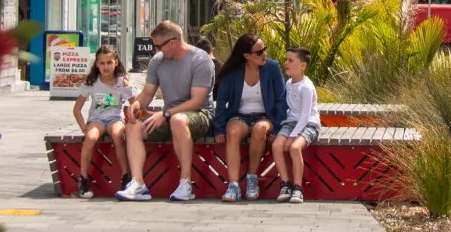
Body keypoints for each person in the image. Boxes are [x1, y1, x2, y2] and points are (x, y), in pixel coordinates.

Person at [116, 21, 215, 202]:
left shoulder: (200, 60)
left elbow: (196, 101)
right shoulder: (158, 61)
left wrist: (166, 114)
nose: (156, 50)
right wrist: (136, 106)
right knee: (133, 127)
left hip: (200, 115)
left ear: (173, 42)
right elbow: (147, 93)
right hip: (169, 116)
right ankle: (138, 184)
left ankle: (186, 184)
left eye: (158, 46)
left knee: (178, 120)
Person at [210, 33, 289, 202]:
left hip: (264, 117)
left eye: (264, 49)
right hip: (240, 116)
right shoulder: (233, 72)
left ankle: (252, 178)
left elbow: (281, 99)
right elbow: (222, 100)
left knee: (260, 130)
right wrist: (219, 127)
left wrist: (277, 126)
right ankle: (233, 186)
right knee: (232, 132)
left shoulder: (272, 68)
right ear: (247, 56)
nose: (264, 54)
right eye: (259, 52)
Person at [71, 45, 134, 198]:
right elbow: (77, 109)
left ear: (116, 62)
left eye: (109, 62)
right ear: (97, 64)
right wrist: (83, 127)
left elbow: (135, 104)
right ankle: (83, 178)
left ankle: (126, 176)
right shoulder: (92, 83)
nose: (106, 67)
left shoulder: (122, 83)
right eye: (102, 63)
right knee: (91, 137)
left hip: (115, 118)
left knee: (118, 135)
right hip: (97, 119)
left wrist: (133, 120)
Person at [273, 47, 321, 204]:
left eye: (291, 60)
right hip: (291, 122)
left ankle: (298, 188)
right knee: (276, 146)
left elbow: (305, 116)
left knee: (294, 148)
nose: (286, 63)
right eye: (286, 59)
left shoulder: (306, 87)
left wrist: (293, 136)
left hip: (309, 124)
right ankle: (285, 184)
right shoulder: (288, 83)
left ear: (302, 66)